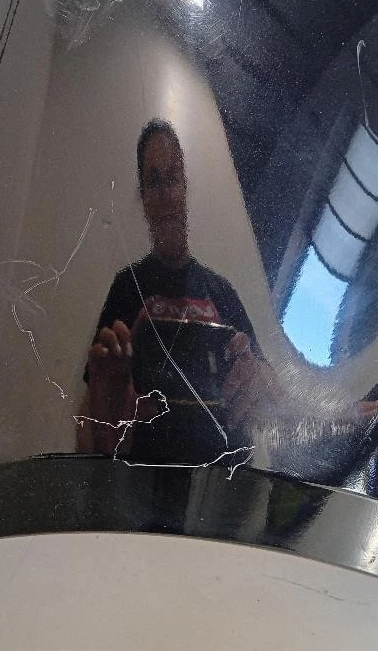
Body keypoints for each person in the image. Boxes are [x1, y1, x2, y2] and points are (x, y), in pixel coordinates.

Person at [75, 119, 275, 462]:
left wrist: (257, 387)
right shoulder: (127, 286)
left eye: (173, 177)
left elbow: (268, 387)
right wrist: (107, 415)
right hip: (142, 478)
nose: (166, 194)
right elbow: (91, 413)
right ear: (143, 197)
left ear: (184, 186)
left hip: (217, 481)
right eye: (154, 182)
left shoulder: (221, 291)